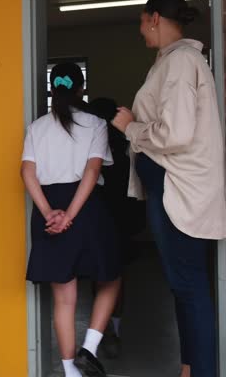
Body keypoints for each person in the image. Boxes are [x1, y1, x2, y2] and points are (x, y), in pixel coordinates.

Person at [111, 0, 226, 377]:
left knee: (189, 287)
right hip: (174, 189)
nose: (141, 32)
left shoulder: (180, 62)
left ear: (155, 18)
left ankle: (202, 370)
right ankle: (191, 368)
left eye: (142, 23)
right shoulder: (175, 61)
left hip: (179, 191)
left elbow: (175, 133)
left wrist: (131, 128)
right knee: (184, 287)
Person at [23, 63, 121, 377]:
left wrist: (49, 211)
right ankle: (89, 349)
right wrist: (71, 215)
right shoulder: (96, 123)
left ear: (53, 90)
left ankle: (70, 371)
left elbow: (27, 172)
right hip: (86, 208)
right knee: (111, 278)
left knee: (64, 296)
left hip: (47, 209)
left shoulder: (37, 127)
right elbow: (92, 172)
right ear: (81, 90)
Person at [84, 98, 146, 359]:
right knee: (116, 275)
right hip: (122, 219)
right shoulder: (127, 148)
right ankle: (113, 329)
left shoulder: (90, 145)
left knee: (97, 275)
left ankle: (105, 328)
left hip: (96, 217)